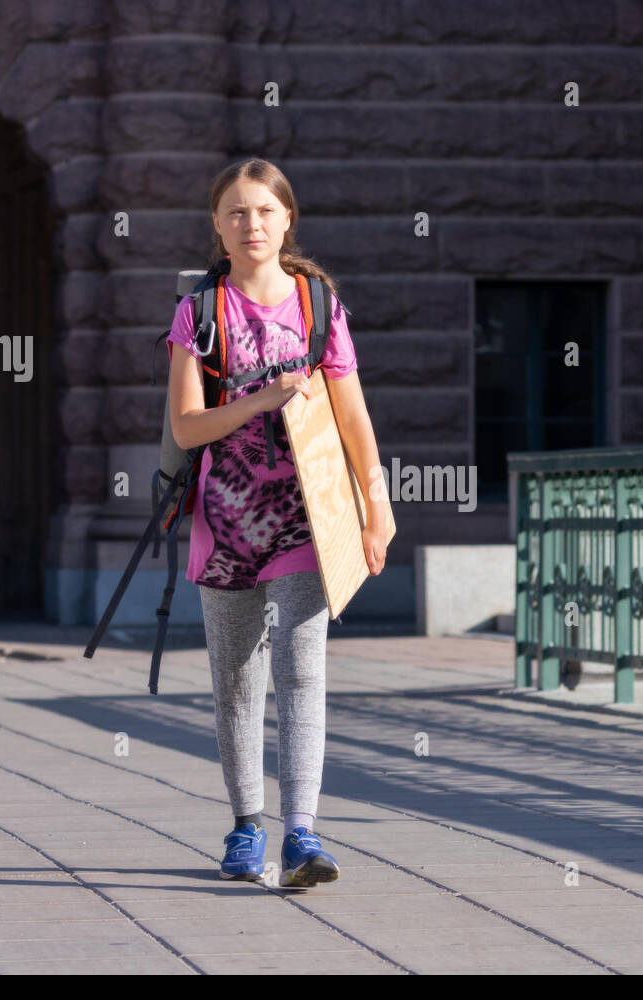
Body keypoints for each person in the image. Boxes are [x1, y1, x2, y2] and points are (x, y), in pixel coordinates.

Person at [165, 157, 390, 888]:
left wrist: (376, 508)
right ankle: (244, 829)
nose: (250, 224)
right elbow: (188, 426)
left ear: (288, 219)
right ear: (217, 227)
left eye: (264, 210)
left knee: (302, 674)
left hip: (307, 519)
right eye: (236, 212)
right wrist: (260, 401)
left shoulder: (318, 304)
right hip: (225, 526)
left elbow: (353, 417)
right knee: (236, 682)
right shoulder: (199, 312)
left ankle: (302, 834)